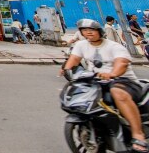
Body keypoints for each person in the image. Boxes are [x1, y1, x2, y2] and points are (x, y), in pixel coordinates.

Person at [63, 19, 147, 153]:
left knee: (116, 92)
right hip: (96, 81)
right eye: (84, 30)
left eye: (91, 30)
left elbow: (122, 63)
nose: (88, 33)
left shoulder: (114, 46)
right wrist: (66, 70)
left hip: (123, 81)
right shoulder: (81, 45)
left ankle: (138, 134)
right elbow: (73, 60)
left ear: (99, 31)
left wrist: (112, 73)